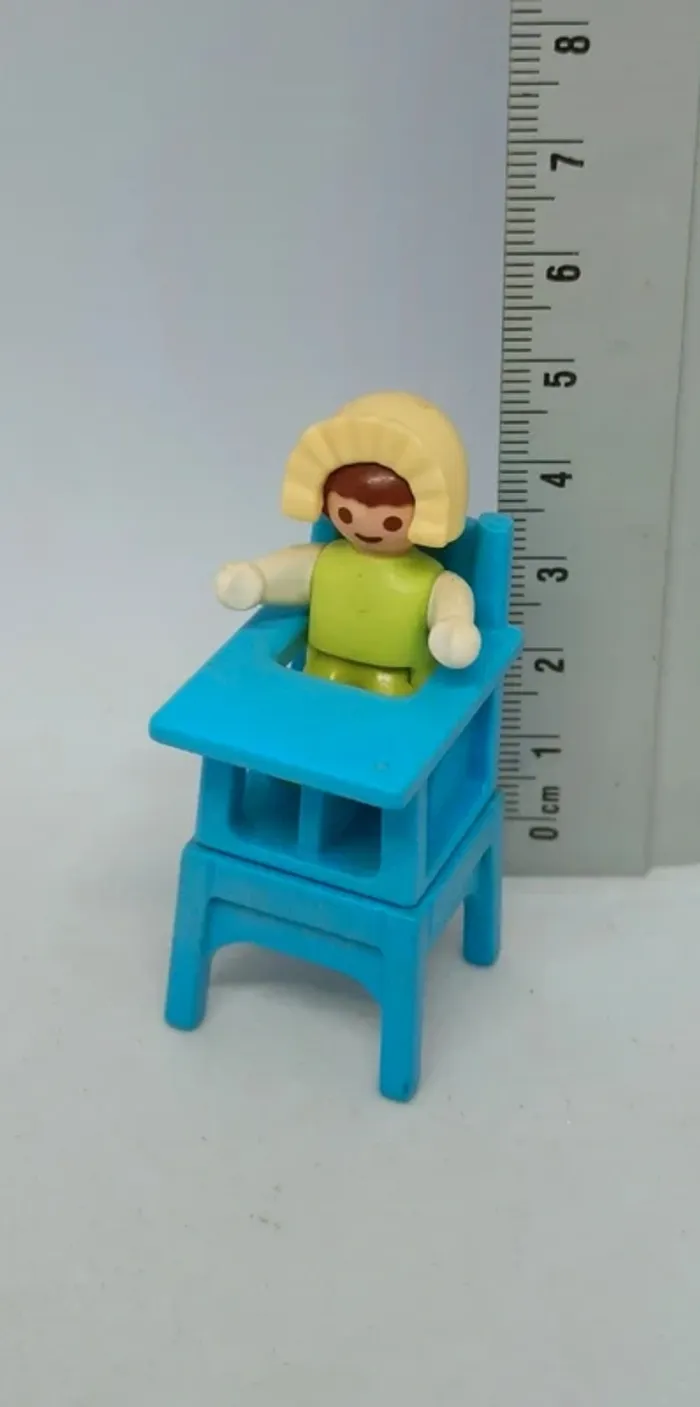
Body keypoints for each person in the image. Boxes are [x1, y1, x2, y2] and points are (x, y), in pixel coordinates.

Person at [215, 391, 481, 697]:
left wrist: (452, 628)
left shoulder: (432, 581)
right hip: (320, 672)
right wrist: (256, 579)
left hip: (397, 687)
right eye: (345, 513)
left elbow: (450, 603)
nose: (366, 528)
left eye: (391, 522)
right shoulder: (325, 561)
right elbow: (289, 573)